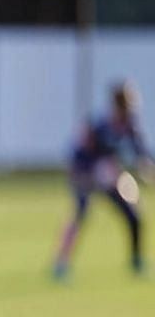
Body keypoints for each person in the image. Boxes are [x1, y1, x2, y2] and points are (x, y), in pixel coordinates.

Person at [53, 80, 154, 280]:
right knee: (80, 214)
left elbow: (141, 151)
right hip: (85, 173)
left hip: (108, 175)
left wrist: (147, 167)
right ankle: (61, 264)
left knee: (133, 213)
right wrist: (93, 170)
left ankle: (136, 260)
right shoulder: (100, 125)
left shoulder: (130, 125)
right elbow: (77, 153)